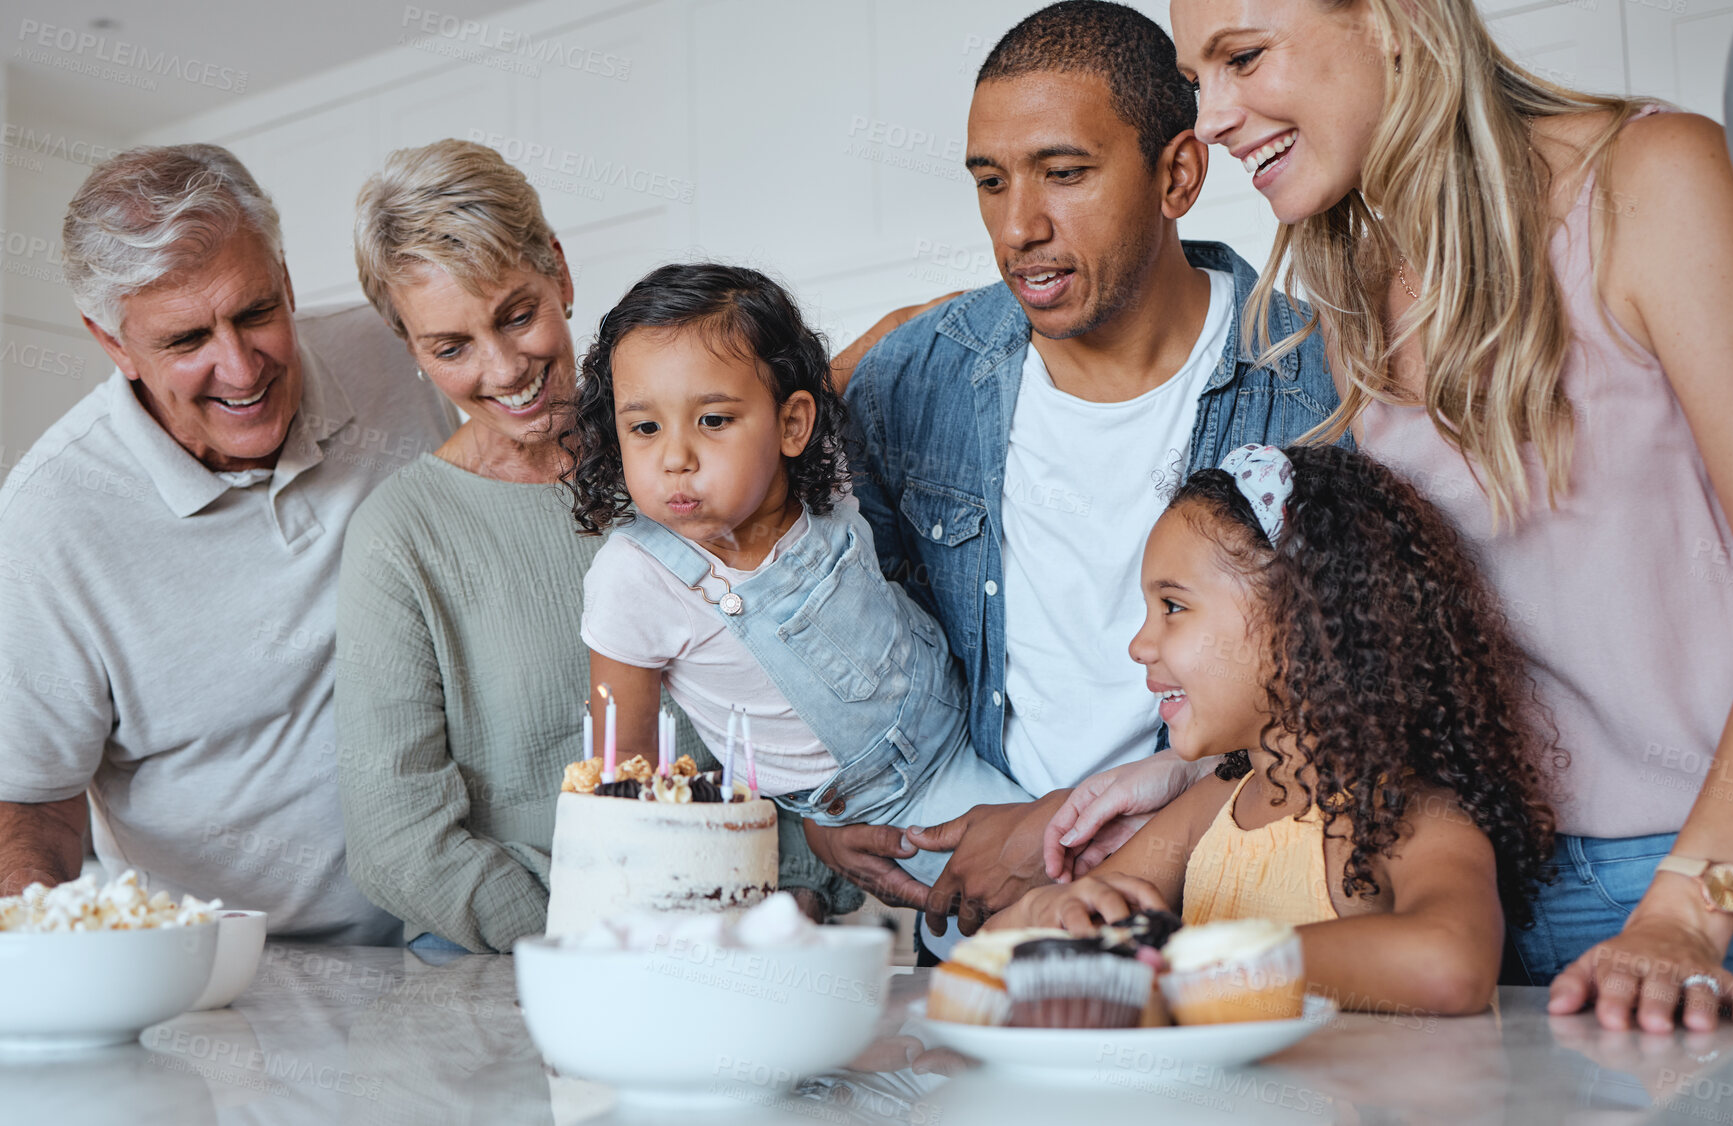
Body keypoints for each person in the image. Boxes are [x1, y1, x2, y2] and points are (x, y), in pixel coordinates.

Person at [1133, 0, 1733, 1031]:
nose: (1209, 118)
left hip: (1720, 896)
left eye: (1243, 58)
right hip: (1504, 905)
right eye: (1195, 80)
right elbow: (1408, 663)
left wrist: (1690, 912)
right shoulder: (1361, 298)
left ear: (1390, 19)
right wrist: (1171, 775)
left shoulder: (1651, 180)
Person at [806, 0, 1347, 948]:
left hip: (1228, 937)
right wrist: (824, 796)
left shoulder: (1320, 390)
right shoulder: (917, 375)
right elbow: (848, 617)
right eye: (990, 181)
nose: (1019, 226)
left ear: (1177, 173)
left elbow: (1359, 714)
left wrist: (1051, 834)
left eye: (1066, 173)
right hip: (982, 939)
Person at [337, 143, 857, 954]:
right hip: (520, 956)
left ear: (561, 273)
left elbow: (820, 692)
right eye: (450, 347)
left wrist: (793, 892)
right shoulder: (399, 538)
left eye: (518, 315)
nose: (506, 369)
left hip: (758, 926)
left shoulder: (698, 456)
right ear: (409, 347)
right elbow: (396, 842)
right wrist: (596, 940)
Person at [0, 144, 459, 943]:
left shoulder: (399, 359)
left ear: (284, 278)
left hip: (454, 932)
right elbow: (30, 807)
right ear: (113, 345)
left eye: (255, 312)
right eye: (186, 341)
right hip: (223, 979)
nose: (241, 368)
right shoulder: (49, 521)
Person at [991, 443, 1558, 1015]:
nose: (1139, 645)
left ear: (1298, 621)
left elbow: (1452, 967)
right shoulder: (1210, 810)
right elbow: (997, 956)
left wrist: (1204, 959)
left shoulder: (1409, 818)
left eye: (1173, 606)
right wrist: (1042, 914)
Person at [566, 263, 1032, 887]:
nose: (675, 458)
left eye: (713, 421)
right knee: (1046, 894)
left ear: (792, 425)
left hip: (975, 711)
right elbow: (625, 769)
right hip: (890, 806)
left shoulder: (824, 475)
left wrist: (1008, 299)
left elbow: (892, 333)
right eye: (645, 427)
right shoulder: (635, 578)